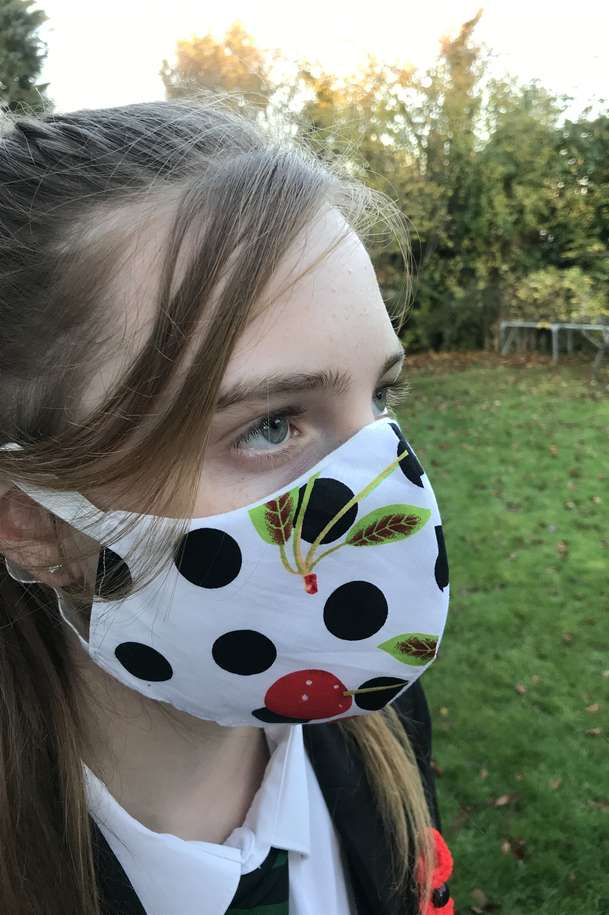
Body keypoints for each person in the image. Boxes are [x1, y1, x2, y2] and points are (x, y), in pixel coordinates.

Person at [0, 97, 453, 915]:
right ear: (29, 520)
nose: (389, 484)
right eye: (271, 424)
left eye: (380, 396)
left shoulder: (381, 728)